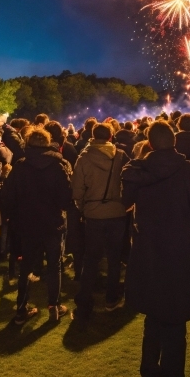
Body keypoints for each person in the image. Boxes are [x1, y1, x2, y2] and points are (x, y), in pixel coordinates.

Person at [121, 120, 190, 377]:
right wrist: (186, 233)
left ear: (150, 144)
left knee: (154, 318)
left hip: (148, 253)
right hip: (181, 255)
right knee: (174, 324)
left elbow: (123, 202)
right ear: (174, 143)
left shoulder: (138, 171)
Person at [1, 127, 72, 324]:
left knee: (27, 267)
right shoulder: (57, 165)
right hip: (52, 223)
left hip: (28, 224)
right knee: (54, 265)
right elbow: (66, 198)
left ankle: (21, 310)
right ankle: (54, 306)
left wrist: (14, 216)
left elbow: (7, 196)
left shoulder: (21, 166)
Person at [71, 122, 129, 319]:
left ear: (93, 136)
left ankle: (85, 300)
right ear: (111, 136)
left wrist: (83, 208)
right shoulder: (120, 156)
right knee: (114, 258)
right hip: (117, 211)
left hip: (94, 213)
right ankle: (111, 298)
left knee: (91, 258)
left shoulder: (84, 158)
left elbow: (77, 190)